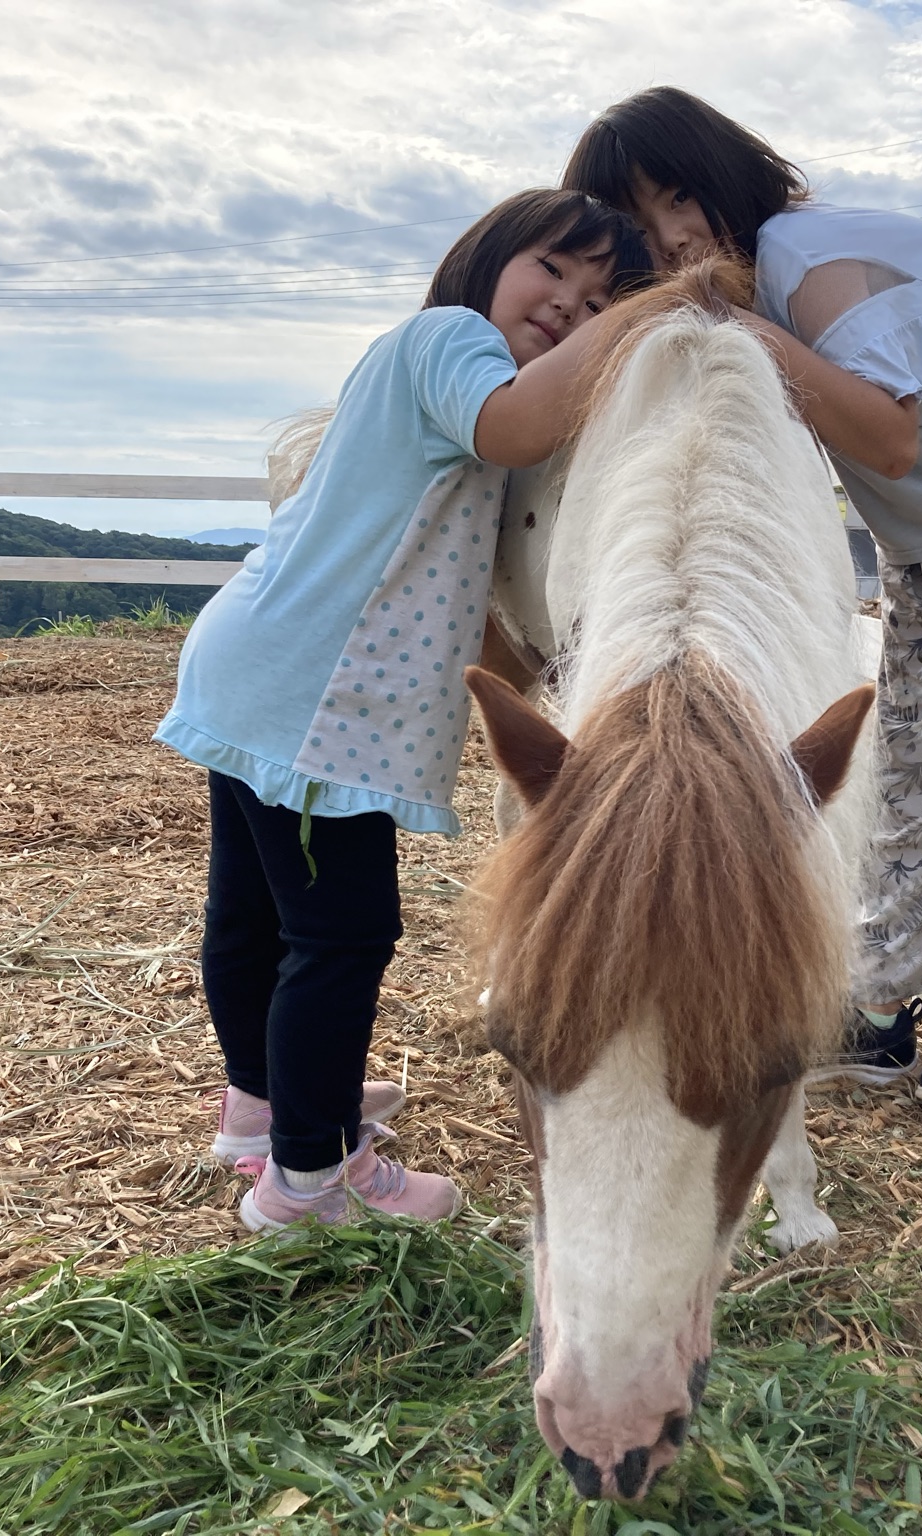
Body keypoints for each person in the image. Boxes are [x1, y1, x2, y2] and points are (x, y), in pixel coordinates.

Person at [565, 88, 922, 1125]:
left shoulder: (809, 264)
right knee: (916, 761)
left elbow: (887, 435)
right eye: (640, 226)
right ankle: (878, 996)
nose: (672, 235)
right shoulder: (762, 285)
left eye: (679, 197)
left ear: (726, 172)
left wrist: (735, 327)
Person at [156, 190, 651, 1226]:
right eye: (553, 271)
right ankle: (312, 1178)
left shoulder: (427, 379)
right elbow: (515, 426)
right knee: (338, 939)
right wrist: (642, 318)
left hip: (260, 661)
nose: (571, 305)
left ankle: (263, 1106)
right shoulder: (448, 340)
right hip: (317, 701)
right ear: (486, 259)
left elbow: (454, 591)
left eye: (600, 293)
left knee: (249, 917)